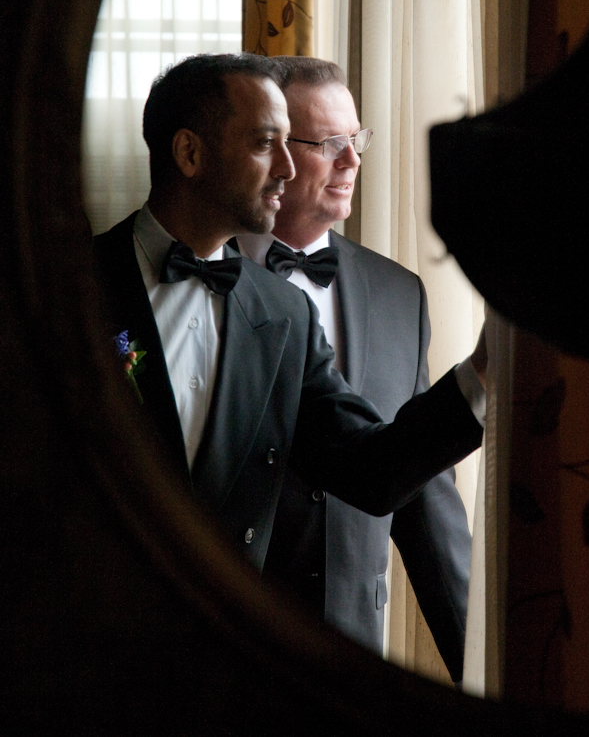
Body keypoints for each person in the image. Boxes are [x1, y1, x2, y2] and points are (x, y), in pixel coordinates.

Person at [93, 53, 484, 592]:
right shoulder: (65, 283)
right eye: (264, 143)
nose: (287, 167)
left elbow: (371, 468)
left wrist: (483, 371)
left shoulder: (285, 313)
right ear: (189, 153)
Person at [235, 56, 480, 681]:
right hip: (229, 634)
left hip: (352, 652)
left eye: (357, 140)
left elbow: (424, 493)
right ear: (275, 153)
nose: (353, 162)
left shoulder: (399, 293)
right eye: (330, 144)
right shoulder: (205, 276)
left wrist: (483, 672)